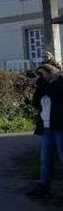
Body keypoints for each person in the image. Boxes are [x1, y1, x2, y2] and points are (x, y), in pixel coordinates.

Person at [26, 64, 63, 198]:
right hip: (47, 127)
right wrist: (38, 86)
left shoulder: (60, 81)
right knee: (45, 159)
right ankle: (43, 186)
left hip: (59, 126)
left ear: (50, 72)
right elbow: (35, 103)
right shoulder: (44, 86)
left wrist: (42, 83)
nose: (40, 77)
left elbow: (56, 95)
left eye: (42, 74)